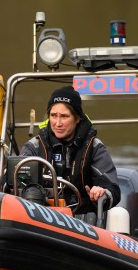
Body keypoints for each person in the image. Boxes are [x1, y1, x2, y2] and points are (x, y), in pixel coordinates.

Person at [19, 85, 120, 217]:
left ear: (77, 118)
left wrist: (101, 192)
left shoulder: (94, 147)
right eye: (53, 116)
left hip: (82, 219)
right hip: (40, 216)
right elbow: (12, 179)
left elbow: (113, 189)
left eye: (64, 116)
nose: (58, 123)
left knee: (119, 214)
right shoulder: (34, 146)